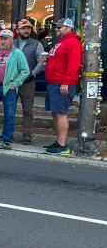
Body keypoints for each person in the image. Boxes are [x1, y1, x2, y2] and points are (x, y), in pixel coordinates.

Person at [43, 18, 82, 155]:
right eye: (56, 27)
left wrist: (66, 82)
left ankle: (62, 144)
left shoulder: (72, 42)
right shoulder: (61, 42)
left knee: (60, 113)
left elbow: (73, 64)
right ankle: (59, 141)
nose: (56, 29)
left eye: (60, 27)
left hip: (62, 83)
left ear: (68, 28)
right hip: (54, 82)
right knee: (55, 113)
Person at [12, 18, 45, 145]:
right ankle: (8, 133)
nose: (26, 30)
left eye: (28, 28)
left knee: (27, 110)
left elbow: (42, 61)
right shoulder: (12, 43)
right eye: (23, 28)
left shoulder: (37, 44)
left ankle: (27, 134)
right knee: (10, 109)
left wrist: (33, 74)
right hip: (12, 82)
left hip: (28, 82)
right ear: (17, 30)